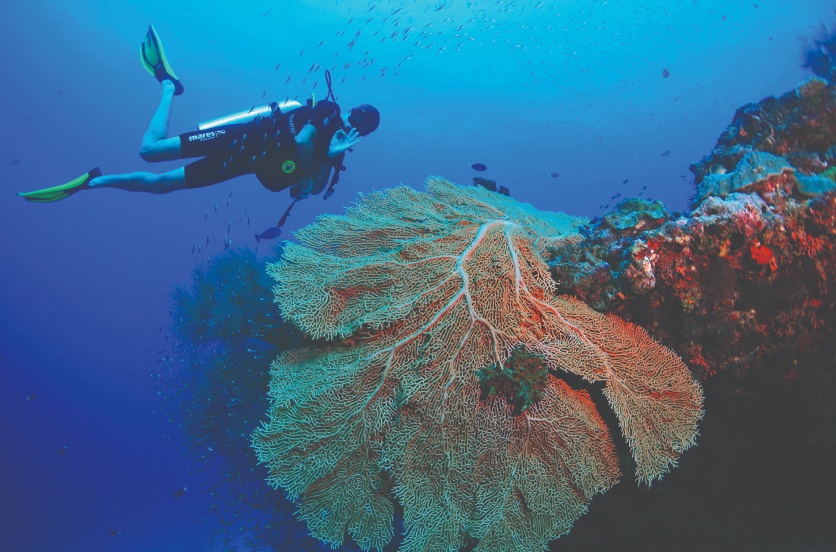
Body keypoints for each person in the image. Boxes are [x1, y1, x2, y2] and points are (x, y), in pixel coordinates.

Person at [19, 25, 380, 213]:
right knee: (149, 151)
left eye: (363, 126)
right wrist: (317, 157)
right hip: (238, 138)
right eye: (359, 116)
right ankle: (168, 88)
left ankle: (92, 183)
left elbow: (311, 190)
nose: (356, 123)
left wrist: (331, 155)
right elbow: (301, 143)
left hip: (241, 164)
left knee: (163, 186)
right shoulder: (328, 110)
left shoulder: (337, 151)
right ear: (350, 110)